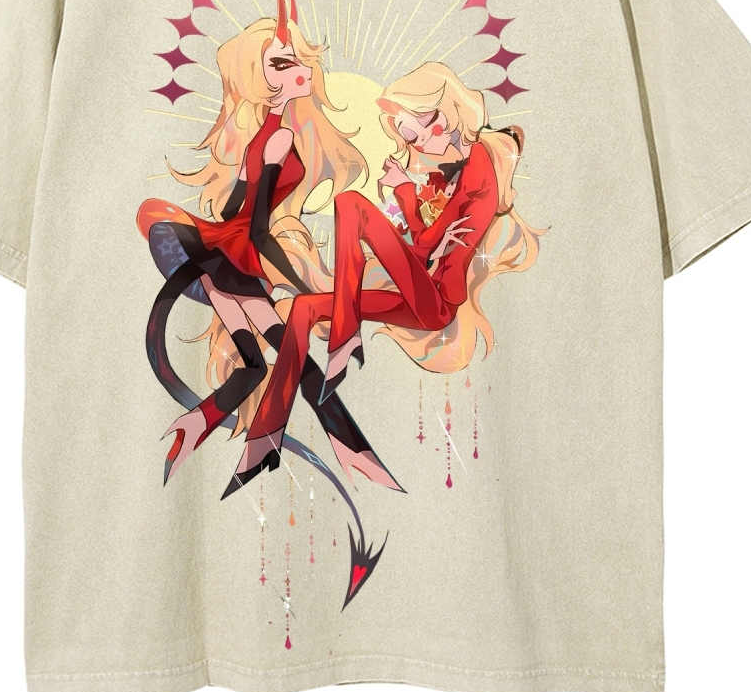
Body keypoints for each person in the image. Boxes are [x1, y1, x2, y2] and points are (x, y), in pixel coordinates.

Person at [225, 62, 546, 497]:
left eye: (424, 126)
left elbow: (426, 243)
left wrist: (405, 193)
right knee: (302, 309)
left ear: (448, 109)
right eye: (410, 137)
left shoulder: (480, 163)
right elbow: (424, 245)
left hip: (436, 301)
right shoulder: (449, 176)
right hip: (422, 294)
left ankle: (345, 334)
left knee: (351, 205)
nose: (421, 143)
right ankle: (266, 436)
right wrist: (419, 216)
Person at [136, 0, 375, 485]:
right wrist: (306, 286)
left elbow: (235, 210)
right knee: (290, 360)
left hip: (223, 255)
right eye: (282, 63)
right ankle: (353, 452)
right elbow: (257, 226)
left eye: (299, 60)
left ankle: (195, 426)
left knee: (256, 366)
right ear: (259, 77)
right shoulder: (278, 139)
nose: (300, 70)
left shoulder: (266, 133)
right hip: (236, 259)